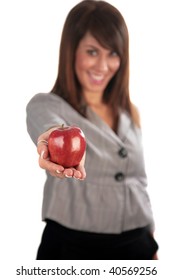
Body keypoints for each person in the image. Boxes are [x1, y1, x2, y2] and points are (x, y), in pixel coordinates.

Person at [26, 0, 159, 260]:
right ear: (71, 50)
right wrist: (52, 140)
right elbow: (46, 124)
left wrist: (151, 241)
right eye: (92, 51)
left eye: (113, 53)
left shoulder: (129, 113)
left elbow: (139, 182)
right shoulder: (46, 105)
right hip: (73, 247)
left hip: (137, 244)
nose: (103, 65)